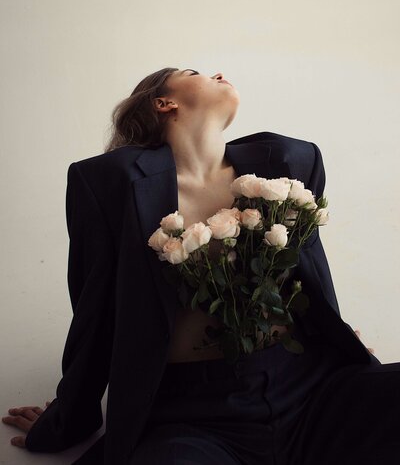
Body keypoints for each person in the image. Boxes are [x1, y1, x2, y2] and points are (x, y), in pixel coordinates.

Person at [2, 67, 399, 465]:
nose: (219, 73)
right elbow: (95, 314)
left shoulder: (290, 161)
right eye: (194, 72)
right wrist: (67, 417)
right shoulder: (111, 183)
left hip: (312, 388)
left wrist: (339, 337)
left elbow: (310, 278)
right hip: (192, 416)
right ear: (164, 102)